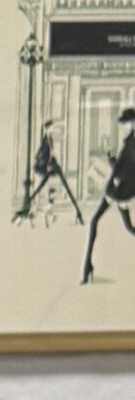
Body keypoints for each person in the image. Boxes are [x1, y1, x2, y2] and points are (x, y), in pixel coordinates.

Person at [80, 105, 135, 284]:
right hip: (118, 189)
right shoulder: (129, 140)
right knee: (100, 222)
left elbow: (131, 170)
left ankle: (87, 267)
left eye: (125, 123)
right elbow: (123, 165)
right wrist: (112, 161)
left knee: (126, 227)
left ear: (132, 123)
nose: (122, 126)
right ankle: (87, 266)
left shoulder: (133, 143)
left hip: (122, 190)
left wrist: (117, 174)